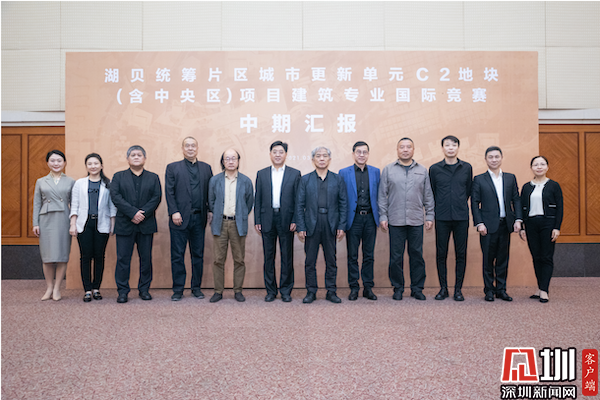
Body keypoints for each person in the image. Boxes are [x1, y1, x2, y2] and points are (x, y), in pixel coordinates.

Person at [378, 138, 434, 301]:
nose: (405, 150)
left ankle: (417, 288)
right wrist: (383, 216)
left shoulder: (422, 170)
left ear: (413, 150)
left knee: (417, 255)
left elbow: (428, 195)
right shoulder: (388, 170)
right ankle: (398, 288)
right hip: (395, 220)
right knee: (396, 257)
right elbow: (382, 195)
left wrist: (429, 215)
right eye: (402, 147)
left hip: (416, 220)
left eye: (408, 147)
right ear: (397, 150)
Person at [110, 145, 162, 303]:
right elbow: (116, 197)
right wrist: (132, 213)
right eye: (133, 155)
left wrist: (142, 214)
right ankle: (122, 291)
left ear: (145, 159)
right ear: (128, 159)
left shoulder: (153, 177)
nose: (136, 157)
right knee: (123, 259)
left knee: (146, 259)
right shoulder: (118, 177)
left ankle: (144, 289)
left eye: (139, 155)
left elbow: (156, 197)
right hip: (125, 224)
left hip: (146, 225)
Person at [296, 146, 347, 304]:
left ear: (329, 159)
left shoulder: (337, 179)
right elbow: (299, 205)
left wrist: (341, 226)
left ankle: (331, 291)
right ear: (313, 160)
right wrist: (301, 227)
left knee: (331, 260)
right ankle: (311, 291)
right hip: (311, 223)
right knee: (310, 261)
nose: (322, 158)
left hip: (330, 224)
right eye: (318, 156)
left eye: (325, 156)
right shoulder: (305, 180)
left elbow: (343, 204)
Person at [471, 146, 522, 302]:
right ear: (486, 159)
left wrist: (518, 219)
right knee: (488, 260)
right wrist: (479, 223)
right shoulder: (479, 179)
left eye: (496, 157)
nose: (494, 160)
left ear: (501, 158)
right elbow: (475, 203)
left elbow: (516, 199)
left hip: (505, 224)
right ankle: (489, 290)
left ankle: (501, 290)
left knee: (503, 259)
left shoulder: (510, 178)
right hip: (487, 226)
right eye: (490, 157)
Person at [165, 137, 213, 301]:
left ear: (197, 148)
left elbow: (210, 192)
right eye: (187, 146)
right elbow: (169, 191)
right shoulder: (173, 168)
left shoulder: (206, 168)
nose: (190, 148)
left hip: (199, 218)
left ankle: (196, 288)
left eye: (193, 146)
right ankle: (178, 289)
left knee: (197, 255)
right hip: (179, 218)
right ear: (182, 148)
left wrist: (210, 210)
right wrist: (174, 211)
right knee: (177, 255)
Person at [254, 141, 301, 302]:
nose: (278, 155)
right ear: (270, 154)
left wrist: (295, 219)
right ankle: (271, 291)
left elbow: (298, 199)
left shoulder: (295, 174)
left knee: (287, 256)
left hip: (286, 219)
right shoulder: (262, 173)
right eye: (275, 152)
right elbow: (258, 198)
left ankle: (286, 291)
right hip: (267, 218)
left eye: (281, 152)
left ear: (285, 154)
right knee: (269, 257)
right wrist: (257, 219)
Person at [429, 136, 473, 301]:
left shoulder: (467, 168)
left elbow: (468, 190)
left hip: (461, 217)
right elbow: (432, 192)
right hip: (442, 217)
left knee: (461, 254)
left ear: (458, 148)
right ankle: (443, 289)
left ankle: (458, 290)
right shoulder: (434, 169)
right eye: (447, 145)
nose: (450, 148)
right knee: (441, 254)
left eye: (454, 145)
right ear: (442, 148)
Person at [208, 149, 254, 303]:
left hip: (237, 224)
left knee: (239, 259)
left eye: (234, 158)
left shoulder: (246, 181)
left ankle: (238, 290)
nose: (231, 161)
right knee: (218, 260)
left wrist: (240, 215)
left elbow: (249, 203)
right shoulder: (215, 180)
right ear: (223, 162)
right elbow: (211, 201)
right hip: (220, 223)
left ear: (238, 161)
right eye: (227, 158)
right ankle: (218, 291)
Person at [69, 153, 117, 302]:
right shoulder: (79, 183)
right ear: (86, 166)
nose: (93, 166)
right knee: (85, 256)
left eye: (96, 163)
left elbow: (112, 206)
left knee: (99, 256)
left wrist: (112, 224)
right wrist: (73, 224)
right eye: (90, 164)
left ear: (101, 166)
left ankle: (96, 288)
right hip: (84, 224)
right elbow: (74, 205)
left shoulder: (108, 183)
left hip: (102, 224)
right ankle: (87, 290)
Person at [338, 141, 380, 301]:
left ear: (368, 154)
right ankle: (354, 287)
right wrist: (341, 222)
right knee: (352, 255)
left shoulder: (376, 172)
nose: (361, 155)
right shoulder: (344, 173)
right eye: (358, 152)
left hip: (370, 218)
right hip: (353, 219)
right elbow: (341, 199)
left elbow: (380, 196)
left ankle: (368, 287)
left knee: (369, 255)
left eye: (364, 152)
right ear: (353, 154)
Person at [519, 156, 563, 303]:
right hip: (531, 224)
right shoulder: (526, 187)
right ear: (531, 168)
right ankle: (540, 287)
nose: (539, 167)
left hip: (548, 224)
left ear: (547, 167)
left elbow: (560, 208)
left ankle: (544, 290)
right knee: (536, 257)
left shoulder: (554, 186)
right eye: (536, 164)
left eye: (542, 164)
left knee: (546, 257)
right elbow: (522, 208)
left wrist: (557, 227)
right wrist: (522, 228)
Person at [32, 150, 75, 301]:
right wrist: (35, 223)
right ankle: (49, 287)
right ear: (47, 163)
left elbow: (74, 204)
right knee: (47, 257)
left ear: (64, 163)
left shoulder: (71, 181)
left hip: (63, 219)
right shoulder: (41, 181)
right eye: (52, 160)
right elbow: (37, 203)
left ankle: (57, 288)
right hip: (46, 220)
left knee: (62, 255)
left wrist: (74, 223)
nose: (56, 163)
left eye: (59, 160)